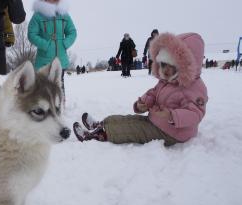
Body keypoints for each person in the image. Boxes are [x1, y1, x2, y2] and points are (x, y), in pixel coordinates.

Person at [74, 33, 208, 147]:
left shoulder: (195, 87)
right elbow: (154, 93)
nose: (165, 71)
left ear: (187, 66)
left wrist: (172, 116)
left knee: (133, 129)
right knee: (127, 119)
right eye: (163, 64)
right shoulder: (166, 81)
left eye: (171, 66)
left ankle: (99, 135)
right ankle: (101, 124)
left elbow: (196, 113)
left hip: (173, 133)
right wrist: (144, 103)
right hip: (156, 121)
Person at [28, 0, 77, 105]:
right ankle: (43, 107)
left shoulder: (64, 14)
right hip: (43, 60)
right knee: (43, 85)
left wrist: (65, 43)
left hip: (61, 59)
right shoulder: (38, 15)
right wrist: (45, 45)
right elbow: (31, 34)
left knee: (59, 83)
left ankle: (60, 105)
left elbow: (72, 32)